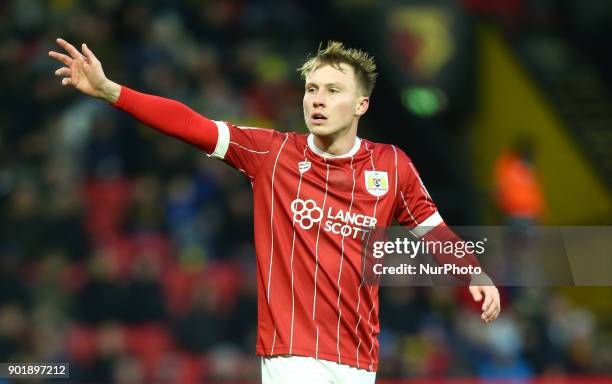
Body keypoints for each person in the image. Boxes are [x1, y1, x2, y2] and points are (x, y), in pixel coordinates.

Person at [49, 38, 500, 383]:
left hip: (361, 358)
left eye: (333, 90)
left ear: (361, 104)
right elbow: (193, 125)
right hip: (291, 354)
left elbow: (434, 231)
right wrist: (112, 91)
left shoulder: (392, 165)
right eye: (311, 89)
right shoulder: (273, 154)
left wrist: (475, 273)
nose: (317, 99)